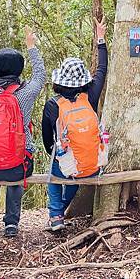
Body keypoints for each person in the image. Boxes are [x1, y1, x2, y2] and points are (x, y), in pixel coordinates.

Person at [0, 27, 46, 240]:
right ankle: (11, 224)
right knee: (17, 174)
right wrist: (31, 46)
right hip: (18, 167)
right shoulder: (25, 94)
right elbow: (40, 76)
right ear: (19, 69)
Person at [41, 19, 108, 231]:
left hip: (68, 166)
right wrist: (101, 38)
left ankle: (55, 215)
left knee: (55, 174)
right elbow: (102, 69)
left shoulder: (53, 104)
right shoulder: (90, 96)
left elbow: (46, 139)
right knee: (75, 172)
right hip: (93, 165)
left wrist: (56, 152)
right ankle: (64, 207)